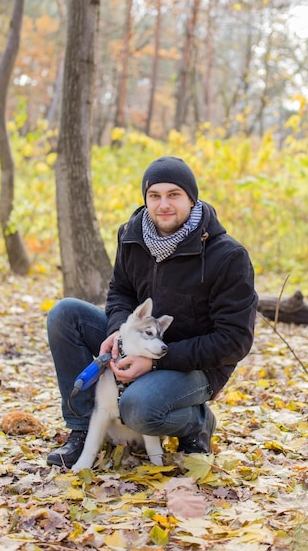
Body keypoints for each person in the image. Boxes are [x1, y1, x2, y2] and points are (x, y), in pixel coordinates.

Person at [46, 156, 258, 468]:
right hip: (140, 340)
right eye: (154, 196)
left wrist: (157, 362)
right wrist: (117, 332)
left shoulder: (227, 256)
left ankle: (196, 422)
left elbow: (234, 341)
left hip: (196, 365)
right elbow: (121, 292)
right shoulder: (132, 236)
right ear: (145, 199)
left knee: (138, 409)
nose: (163, 205)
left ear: (191, 198)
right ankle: (80, 430)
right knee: (65, 314)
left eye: (174, 195)